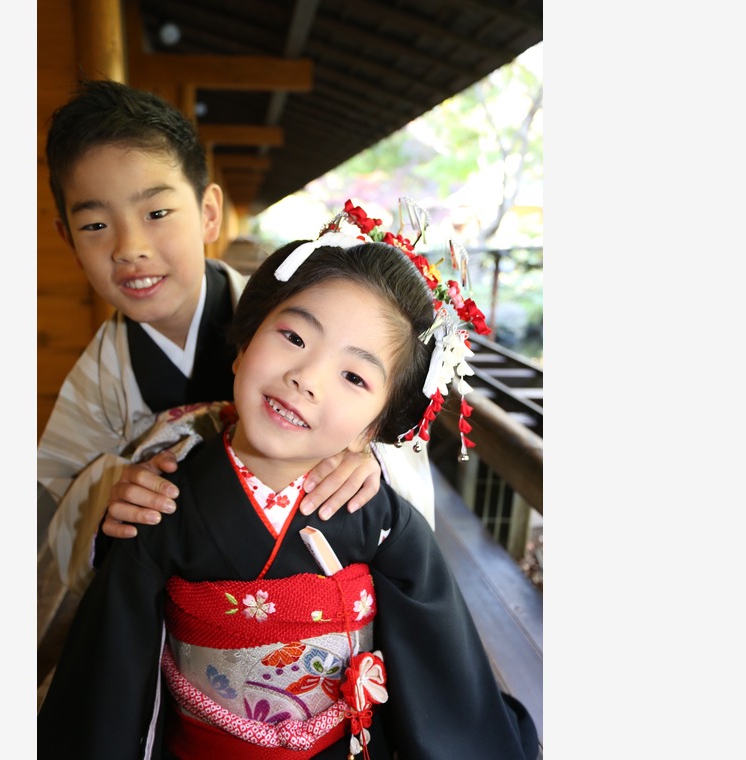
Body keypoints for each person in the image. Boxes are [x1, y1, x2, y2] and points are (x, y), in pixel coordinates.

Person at [37, 203, 539, 759]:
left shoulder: (378, 517)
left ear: (375, 428)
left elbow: (440, 662)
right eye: (294, 338)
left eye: (353, 375)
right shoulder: (166, 499)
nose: (305, 378)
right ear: (243, 344)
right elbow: (108, 675)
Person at [37, 80, 421, 597]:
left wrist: (364, 455)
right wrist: (114, 492)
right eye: (96, 224)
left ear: (209, 213)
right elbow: (51, 507)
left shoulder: (296, 329)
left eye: (156, 214)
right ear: (68, 239)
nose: (129, 248)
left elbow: (390, 421)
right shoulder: (99, 378)